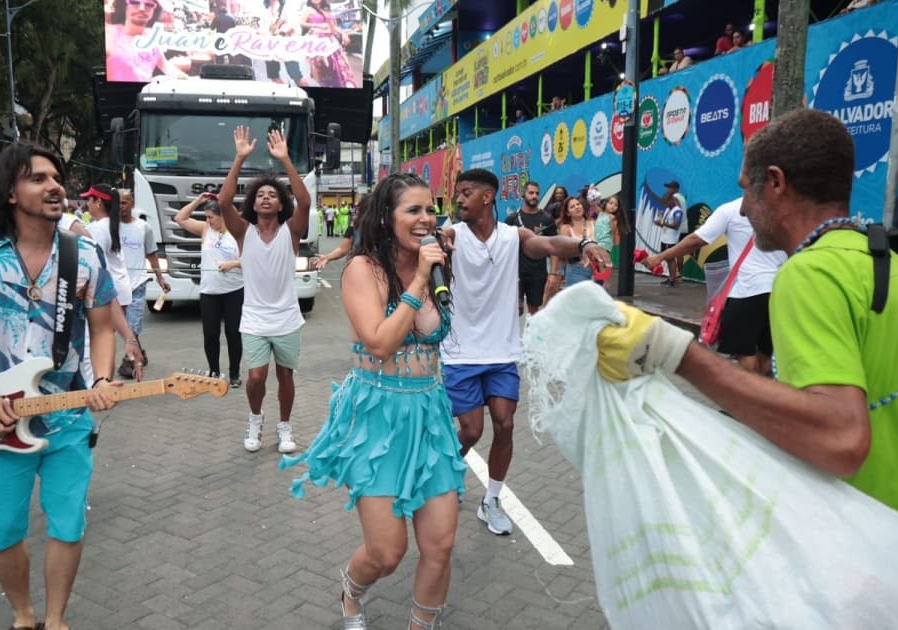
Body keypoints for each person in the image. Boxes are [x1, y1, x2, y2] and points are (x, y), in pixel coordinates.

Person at [597, 108, 898, 555]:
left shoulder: (810, 273)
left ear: (774, 183)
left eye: (745, 193)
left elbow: (841, 439)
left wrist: (676, 352)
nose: (746, 210)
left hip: (864, 565)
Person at [0, 144, 120, 630]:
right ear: (10, 192)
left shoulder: (85, 255)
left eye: (56, 176)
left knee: (68, 523)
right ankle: (23, 613)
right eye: (37, 178)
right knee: (0, 531)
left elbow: (100, 327)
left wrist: (101, 378)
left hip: (67, 416)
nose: (54, 185)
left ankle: (55, 619)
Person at [280, 172, 463, 630]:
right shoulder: (363, 269)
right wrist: (419, 279)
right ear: (386, 216)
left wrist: (433, 272)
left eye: (429, 210)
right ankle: (351, 591)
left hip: (429, 415)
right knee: (387, 552)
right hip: (378, 417)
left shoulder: (435, 264)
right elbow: (380, 343)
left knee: (439, 546)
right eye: (413, 211)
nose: (426, 220)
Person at [442, 168, 610, 535]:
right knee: (470, 431)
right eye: (459, 193)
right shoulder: (453, 235)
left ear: (487, 197)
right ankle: (447, 471)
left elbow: (550, 246)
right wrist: (437, 242)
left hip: (502, 351)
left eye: (466, 192)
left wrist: (582, 245)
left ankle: (492, 500)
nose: (459, 199)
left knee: (504, 423)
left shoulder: (513, 236)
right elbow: (438, 240)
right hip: (460, 352)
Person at [218, 125, 311, 454]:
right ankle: (255, 419)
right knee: (256, 376)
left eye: (273, 194)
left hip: (287, 318)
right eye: (261, 195)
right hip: (255, 318)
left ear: (280, 202)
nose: (267, 197)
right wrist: (239, 158)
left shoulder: (292, 231)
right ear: (254, 205)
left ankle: (284, 427)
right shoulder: (244, 233)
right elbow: (224, 200)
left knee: (286, 376)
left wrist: (285, 160)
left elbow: (304, 200)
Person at [641, 197, 787, 373]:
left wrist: (660, 257)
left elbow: (696, 240)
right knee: (767, 350)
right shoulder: (785, 209)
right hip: (780, 290)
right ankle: (765, 392)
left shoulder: (731, 209)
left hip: (748, 290)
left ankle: (752, 394)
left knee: (744, 351)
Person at [175, 192, 245, 388]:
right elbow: (179, 218)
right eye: (206, 217)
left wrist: (234, 264)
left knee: (233, 333)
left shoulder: (238, 232)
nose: (208, 220)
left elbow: (254, 261)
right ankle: (214, 372)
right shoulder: (206, 229)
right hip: (209, 292)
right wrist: (199, 200)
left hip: (233, 291)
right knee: (211, 334)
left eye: (211, 217)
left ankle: (234, 373)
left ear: (223, 216)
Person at [82, 184, 146, 380]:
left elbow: (94, 264)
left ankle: (103, 380)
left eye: (89, 200)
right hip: (120, 288)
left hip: (107, 292)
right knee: (106, 336)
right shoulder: (110, 224)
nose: (86, 204)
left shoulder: (97, 228)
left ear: (98, 202)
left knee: (101, 337)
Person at [115, 189, 169, 377]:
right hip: (115, 285)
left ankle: (129, 361)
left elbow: (151, 254)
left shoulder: (143, 227)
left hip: (137, 284)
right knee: (123, 326)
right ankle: (140, 353)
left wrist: (161, 278)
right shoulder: (109, 226)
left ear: (132, 203)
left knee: (133, 324)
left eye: (125, 202)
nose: (121, 206)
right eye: (118, 202)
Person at [104, 0, 191, 81]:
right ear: (125, 6)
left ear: (154, 11)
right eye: (135, 2)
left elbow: (165, 66)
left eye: (149, 4)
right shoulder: (110, 35)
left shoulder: (151, 38)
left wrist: (190, 81)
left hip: (144, 95)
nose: (142, 8)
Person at [505, 181, 557, 315]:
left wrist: (553, 273)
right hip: (516, 273)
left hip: (538, 273)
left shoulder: (546, 219)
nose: (534, 196)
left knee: (536, 311)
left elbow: (554, 248)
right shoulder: (512, 219)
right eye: (531, 193)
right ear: (523, 194)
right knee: (514, 311)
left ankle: (532, 336)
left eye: (537, 193)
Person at [301, 0, 358, 88]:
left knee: (339, 66)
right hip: (317, 41)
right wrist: (316, 26)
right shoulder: (309, 9)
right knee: (322, 68)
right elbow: (301, 23)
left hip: (331, 40)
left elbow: (333, 26)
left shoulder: (326, 9)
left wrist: (342, 33)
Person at [549, 196, 595, 293]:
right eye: (572, 206)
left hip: (597, 270)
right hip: (576, 269)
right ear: (567, 213)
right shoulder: (565, 228)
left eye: (578, 204)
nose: (577, 207)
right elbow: (563, 251)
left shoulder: (594, 223)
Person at [654, 181, 686, 286]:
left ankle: (673, 279)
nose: (665, 205)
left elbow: (675, 225)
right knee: (668, 259)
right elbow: (665, 223)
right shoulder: (668, 210)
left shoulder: (677, 211)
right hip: (665, 238)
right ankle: (670, 277)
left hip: (671, 240)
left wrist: (663, 223)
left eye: (666, 203)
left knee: (671, 259)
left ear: (672, 200)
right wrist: (659, 221)